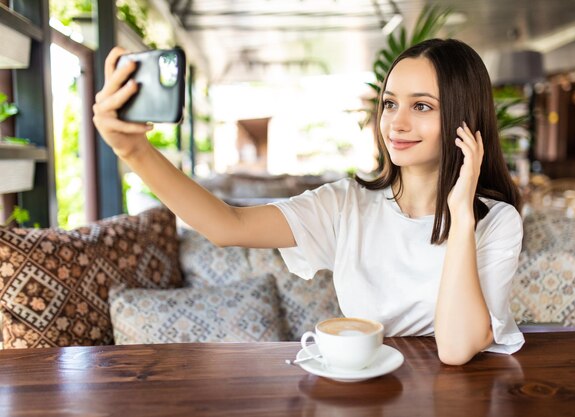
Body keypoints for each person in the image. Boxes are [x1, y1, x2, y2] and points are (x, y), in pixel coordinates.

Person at [93, 38, 524, 365]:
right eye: (390, 103)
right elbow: (227, 227)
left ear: (464, 121)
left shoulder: (496, 222)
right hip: (370, 388)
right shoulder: (346, 204)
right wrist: (134, 152)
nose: (397, 122)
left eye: (423, 106)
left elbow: (455, 349)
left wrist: (462, 214)